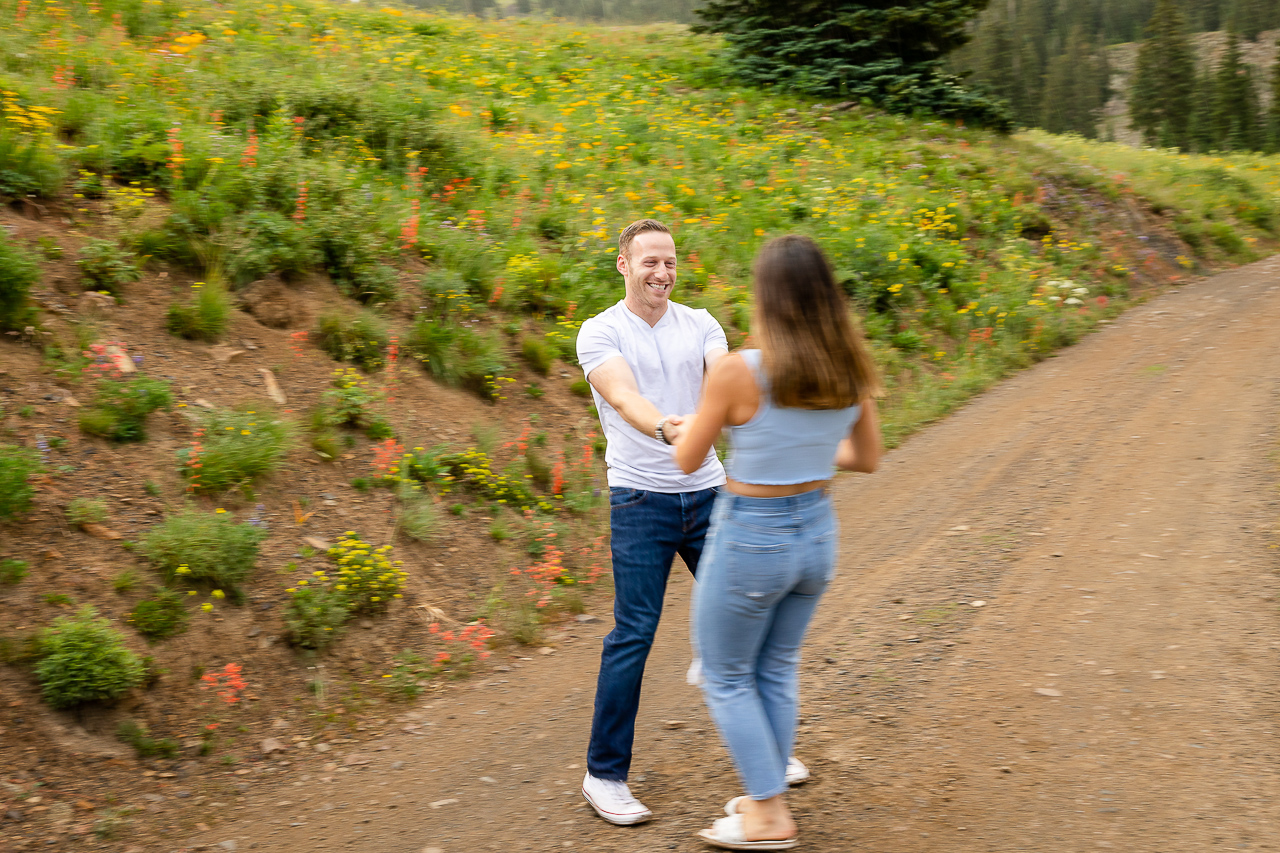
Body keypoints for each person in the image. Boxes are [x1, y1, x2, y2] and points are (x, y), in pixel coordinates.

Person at [672, 234, 883, 850]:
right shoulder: (849, 369)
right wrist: (808, 450)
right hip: (817, 533)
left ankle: (767, 815)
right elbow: (867, 458)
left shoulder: (739, 369)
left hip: (751, 538)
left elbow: (689, 459)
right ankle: (768, 794)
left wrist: (693, 425)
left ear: (767, 297)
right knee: (776, 665)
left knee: (724, 675)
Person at [575, 218, 727, 826]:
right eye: (648, 262)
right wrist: (667, 426)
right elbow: (622, 396)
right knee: (633, 635)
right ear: (623, 265)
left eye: (668, 261)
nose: (661, 272)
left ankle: (766, 753)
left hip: (710, 491)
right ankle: (604, 776)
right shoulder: (600, 331)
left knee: (748, 613)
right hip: (641, 497)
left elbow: (724, 379)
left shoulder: (702, 323)